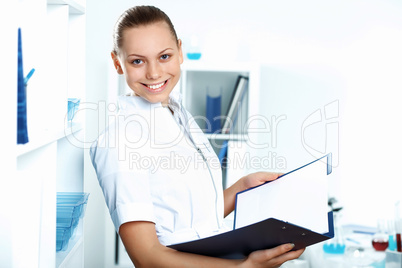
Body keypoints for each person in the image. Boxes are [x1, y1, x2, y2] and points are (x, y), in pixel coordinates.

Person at [90, 5, 305, 267]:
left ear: (180, 52)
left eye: (165, 56)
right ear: (117, 63)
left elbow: (192, 219)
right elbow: (146, 256)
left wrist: (241, 189)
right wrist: (244, 267)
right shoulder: (119, 141)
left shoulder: (177, 114)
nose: (154, 73)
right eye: (138, 61)